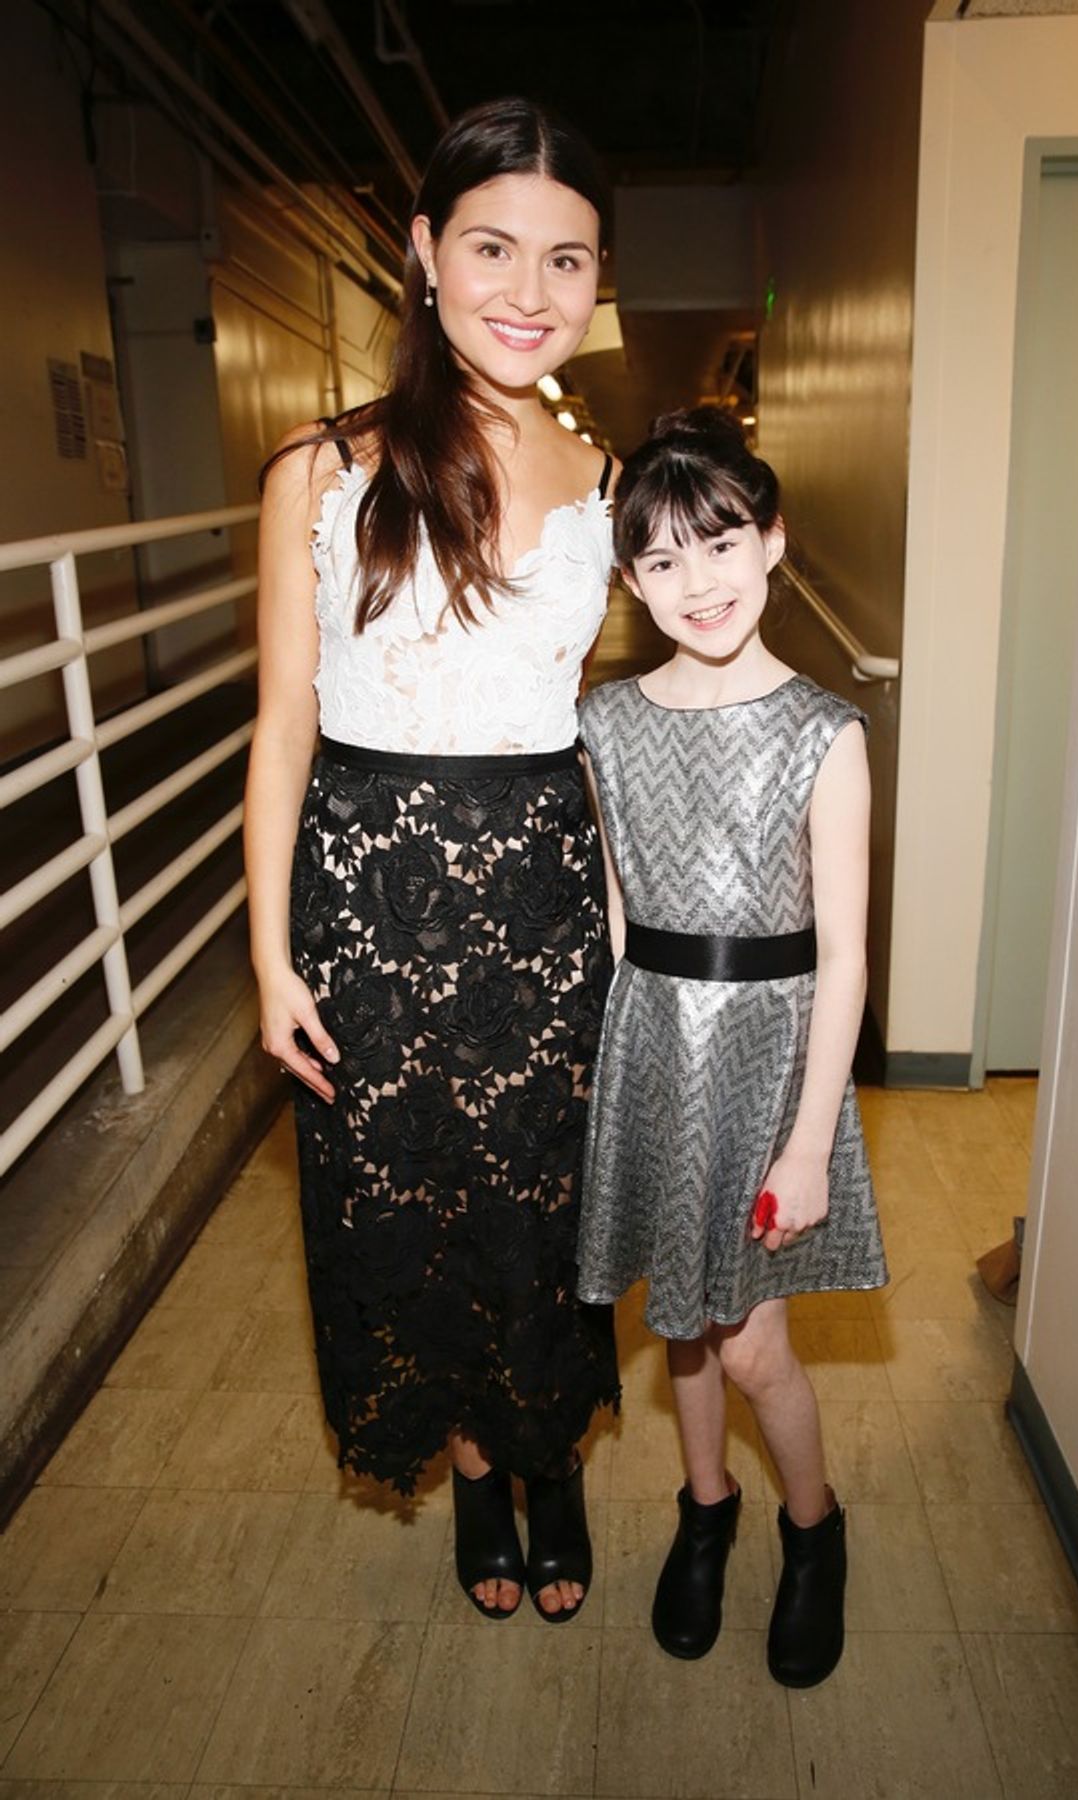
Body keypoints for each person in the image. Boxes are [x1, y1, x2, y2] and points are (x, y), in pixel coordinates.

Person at [244, 97, 620, 1625]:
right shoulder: (321, 473)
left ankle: (552, 1452)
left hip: (543, 893)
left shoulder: (606, 478)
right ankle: (476, 1462)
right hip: (372, 896)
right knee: (409, 1212)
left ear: (601, 285)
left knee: (544, 1202)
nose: (529, 292)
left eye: (568, 260)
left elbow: (614, 722)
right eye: (491, 248)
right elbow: (280, 731)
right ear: (421, 253)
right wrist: (271, 960)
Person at [576, 408, 887, 1685]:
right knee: (682, 1327)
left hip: (770, 1064)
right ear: (631, 579)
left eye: (718, 545)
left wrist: (809, 1144)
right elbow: (613, 904)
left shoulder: (826, 732)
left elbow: (847, 956)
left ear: (770, 542)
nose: (695, 583)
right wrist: (609, 1068)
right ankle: (707, 1512)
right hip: (655, 1047)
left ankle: (814, 1534)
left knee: (754, 1342)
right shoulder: (606, 721)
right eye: (659, 560)